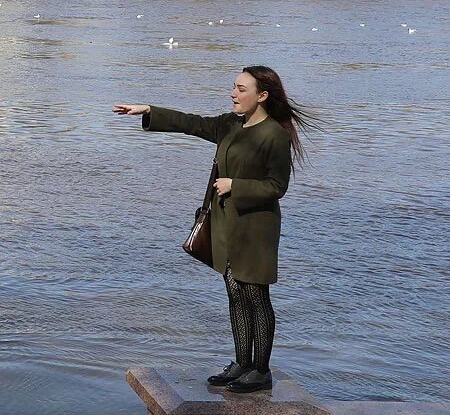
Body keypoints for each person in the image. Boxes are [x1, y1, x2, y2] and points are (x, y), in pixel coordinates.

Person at [114, 66, 311, 393]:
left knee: (255, 297)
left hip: (255, 231)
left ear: (262, 96)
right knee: (235, 294)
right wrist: (150, 110)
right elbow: (194, 123)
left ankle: (260, 370)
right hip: (225, 226)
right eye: (234, 87)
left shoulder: (274, 135)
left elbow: (277, 186)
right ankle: (241, 363)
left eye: (241, 89)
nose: (233, 94)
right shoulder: (231, 124)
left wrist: (236, 184)